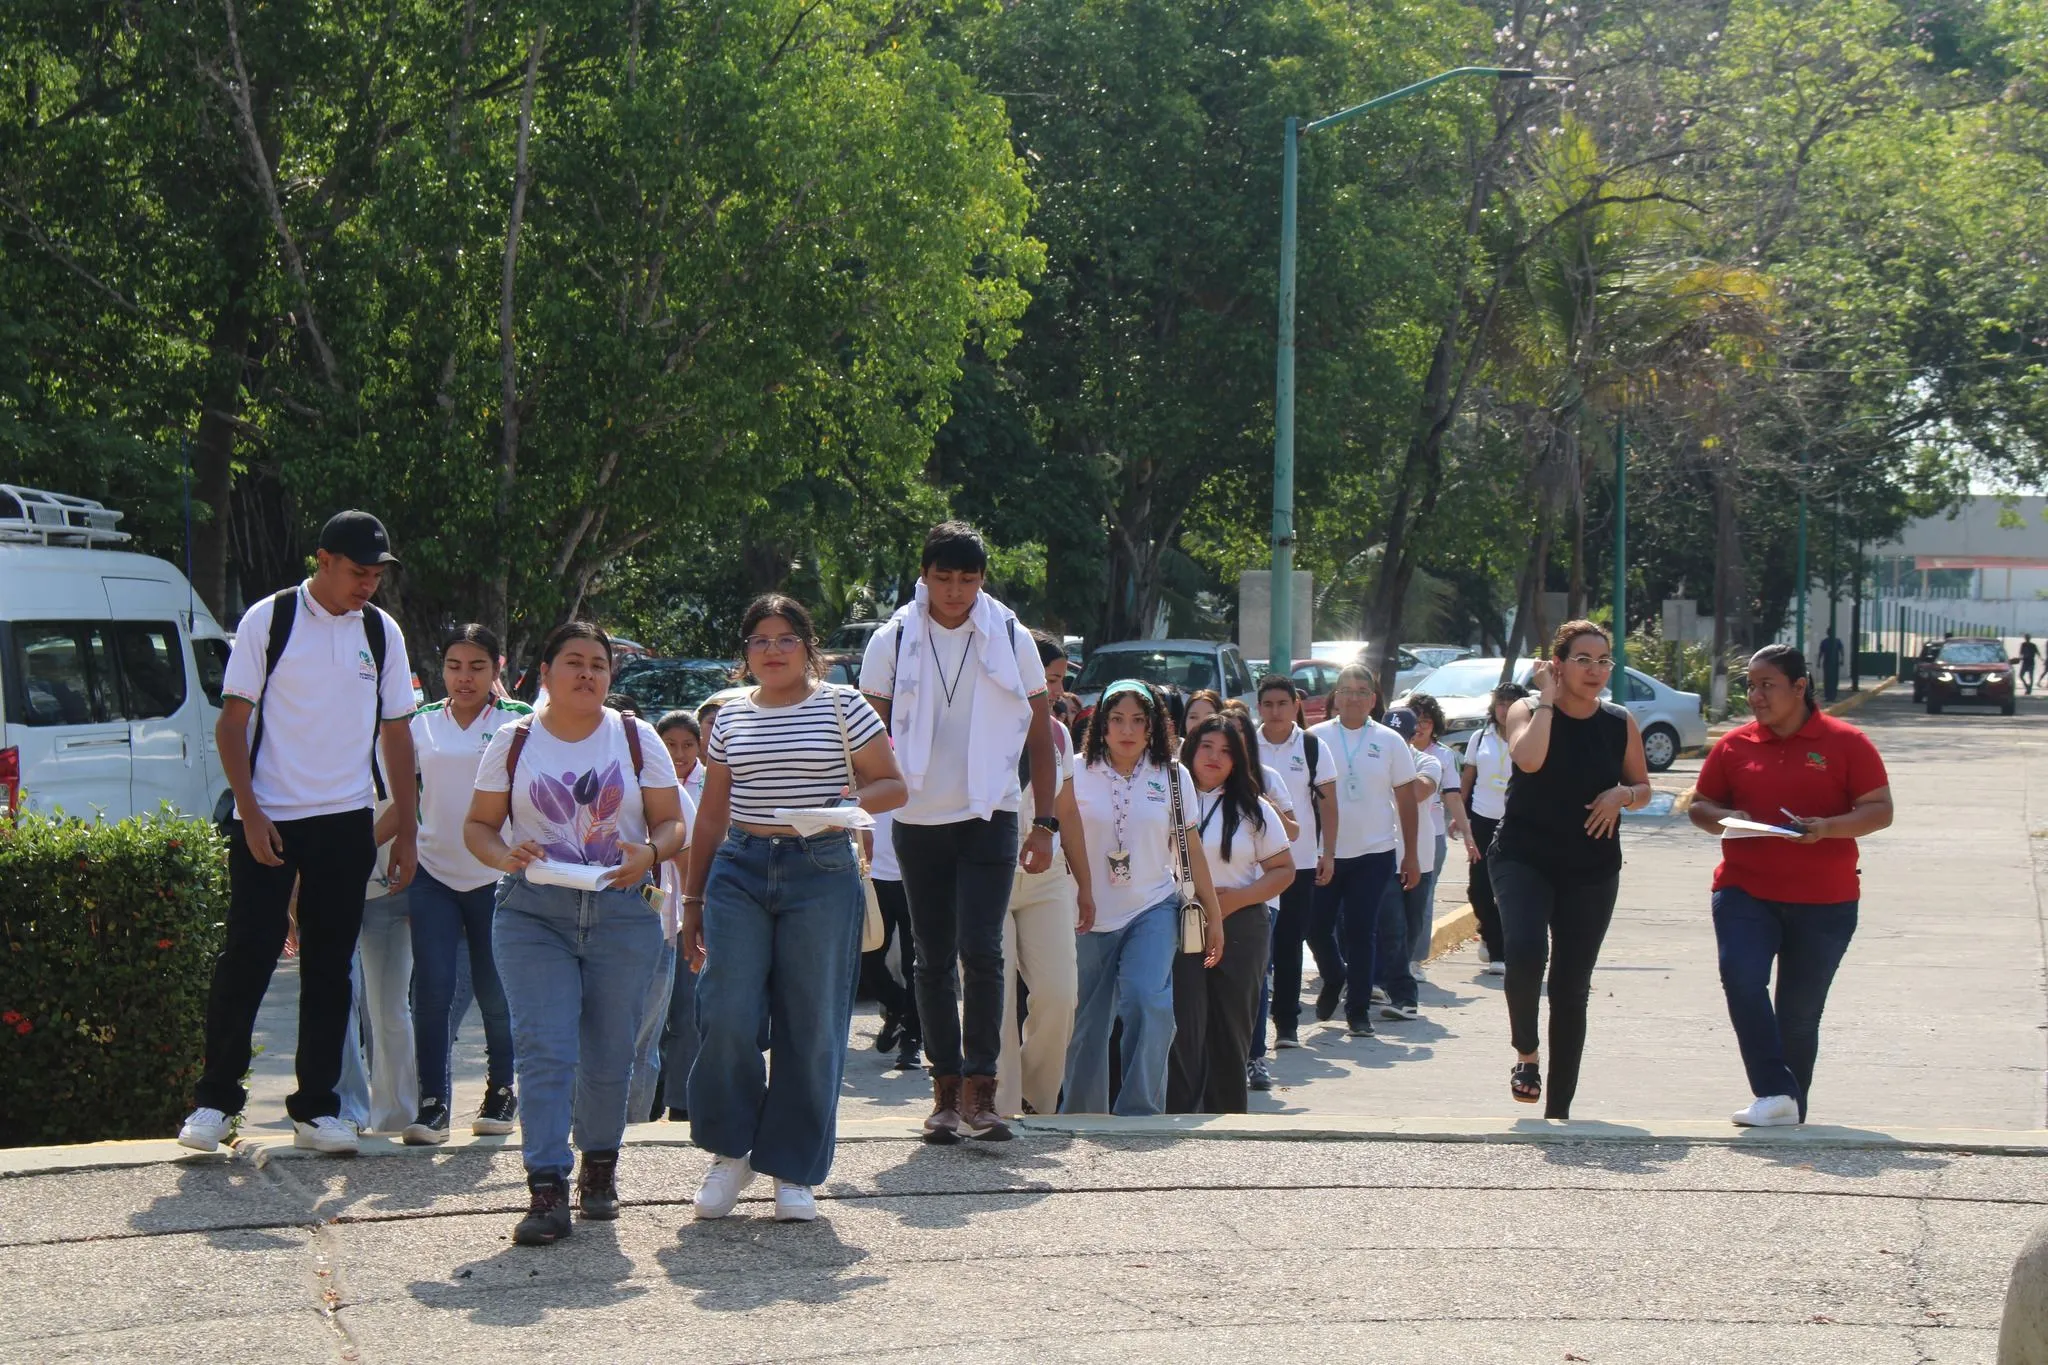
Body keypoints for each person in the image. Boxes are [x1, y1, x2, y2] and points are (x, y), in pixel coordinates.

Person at [179, 510, 418, 1157]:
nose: (368, 584)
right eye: (358, 571)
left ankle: (317, 1109)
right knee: (249, 956)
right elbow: (231, 726)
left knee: (331, 967)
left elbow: (398, 731)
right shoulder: (271, 618)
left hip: (346, 818)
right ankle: (214, 1102)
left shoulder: (380, 630)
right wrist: (251, 813)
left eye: (376, 573)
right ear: (324, 560)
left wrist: (409, 829)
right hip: (271, 814)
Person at [684, 596, 907, 1223]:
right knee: (726, 1010)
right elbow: (711, 813)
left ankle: (793, 1168)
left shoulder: (844, 706)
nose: (772, 650)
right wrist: (694, 899)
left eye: (785, 639)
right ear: (746, 652)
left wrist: (851, 794)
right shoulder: (728, 717)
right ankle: (730, 1153)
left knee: (811, 1022)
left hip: (822, 866)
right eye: (759, 640)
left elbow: (894, 785)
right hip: (740, 866)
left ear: (809, 647)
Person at [465, 622, 687, 1246]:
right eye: (573, 662)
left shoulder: (637, 738)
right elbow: (479, 827)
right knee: (544, 1047)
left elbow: (672, 825)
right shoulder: (513, 741)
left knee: (611, 1052)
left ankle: (599, 1169)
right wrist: (503, 853)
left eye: (599, 664)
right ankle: (545, 1187)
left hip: (623, 912)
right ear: (545, 673)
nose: (587, 673)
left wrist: (649, 852)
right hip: (535, 913)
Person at [859, 522, 1059, 1144]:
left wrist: (1045, 821)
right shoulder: (891, 638)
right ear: (924, 576)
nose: (953, 591)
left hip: (991, 811)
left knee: (983, 950)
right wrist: (862, 819)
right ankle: (943, 1090)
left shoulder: (1008, 633)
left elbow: (1041, 732)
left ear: (982, 580)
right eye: (941, 578)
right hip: (918, 816)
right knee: (931, 957)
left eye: (966, 579)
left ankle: (982, 1092)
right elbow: (863, 739)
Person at [1686, 644, 1893, 1126]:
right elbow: (1700, 806)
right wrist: (1722, 817)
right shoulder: (1733, 746)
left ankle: (1790, 1111)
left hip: (1826, 901)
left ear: (1799, 687)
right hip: (1744, 891)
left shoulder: (1846, 742)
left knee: (1798, 1016)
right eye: (1750, 685)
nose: (1756, 696)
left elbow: (1879, 809)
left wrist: (1827, 827)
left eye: (1767, 685)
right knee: (1741, 977)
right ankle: (1774, 1091)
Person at [1493, 620, 1651, 1118]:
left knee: (1571, 986)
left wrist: (1622, 795)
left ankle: (1557, 1111)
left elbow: (1643, 787)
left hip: (1591, 867)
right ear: (1556, 664)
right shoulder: (1527, 708)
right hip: (1524, 856)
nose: (1595, 670)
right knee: (1523, 952)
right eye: (1582, 659)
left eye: (1603, 661)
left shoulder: (1618, 720)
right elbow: (1530, 760)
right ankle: (1526, 1056)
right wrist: (1544, 698)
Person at [1060, 681, 1221, 1116]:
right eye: (1117, 719)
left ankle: (1140, 1111)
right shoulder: (1073, 771)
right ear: (1101, 725)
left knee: (1147, 999)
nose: (1127, 730)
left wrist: (1214, 914)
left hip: (1154, 905)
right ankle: (1081, 1114)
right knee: (1088, 1024)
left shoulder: (1173, 773)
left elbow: (1190, 846)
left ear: (1153, 727)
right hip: (1085, 911)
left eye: (1138, 720)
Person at [401, 626, 529, 1145]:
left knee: (494, 990)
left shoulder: (519, 721)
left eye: (477, 666)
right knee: (429, 991)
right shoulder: (420, 724)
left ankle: (502, 1090)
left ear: (496, 667)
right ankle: (432, 1103)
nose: (464, 677)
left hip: (495, 875)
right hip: (432, 873)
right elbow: (402, 797)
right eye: (455, 666)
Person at [1167, 716, 1293, 1113]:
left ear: (1237, 761)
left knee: (1230, 1028)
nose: (1214, 757)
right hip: (1178, 921)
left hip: (1241, 925)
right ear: (1190, 750)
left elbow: (1284, 869)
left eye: (1225, 751)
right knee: (1184, 1025)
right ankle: (1180, 1114)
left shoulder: (1254, 808)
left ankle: (1228, 1121)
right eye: (1207, 747)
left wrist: (1238, 899)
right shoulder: (1165, 799)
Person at [1305, 665, 1422, 1038]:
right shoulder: (1313, 738)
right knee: (1316, 927)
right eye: (1346, 690)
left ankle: (1357, 1011)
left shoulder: (1390, 740)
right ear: (1334, 698)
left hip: (1374, 852)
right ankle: (1334, 975)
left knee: (1361, 932)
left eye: (1360, 692)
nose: (1352, 698)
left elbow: (1406, 800)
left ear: (1373, 700)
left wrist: (1412, 854)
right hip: (1325, 853)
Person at [995, 632, 1082, 1118]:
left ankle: (1037, 1099)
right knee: (998, 999)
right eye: (1048, 678)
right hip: (989, 875)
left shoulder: (1059, 733)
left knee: (1058, 995)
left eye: (1059, 680)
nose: (1053, 690)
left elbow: (1067, 813)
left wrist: (1085, 885)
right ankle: (1000, 1110)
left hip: (1047, 877)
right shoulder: (979, 724)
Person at [1253, 676, 1335, 1053]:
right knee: (1257, 949)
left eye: (1282, 703)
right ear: (1259, 707)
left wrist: (1327, 852)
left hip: (1298, 864)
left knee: (1288, 945)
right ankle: (1251, 1028)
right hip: (1251, 865)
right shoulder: (1243, 745)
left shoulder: (1313, 747)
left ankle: (1286, 1024)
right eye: (1268, 704)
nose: (1275, 711)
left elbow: (1328, 804)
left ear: (1295, 706)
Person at [627, 712, 700, 1124]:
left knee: (640, 1044)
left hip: (658, 929)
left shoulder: (671, 790)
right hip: (580, 927)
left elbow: (688, 857)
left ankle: (629, 1142)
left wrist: (692, 918)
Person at [1371, 707, 1440, 1022]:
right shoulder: (1373, 759)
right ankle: (1403, 997)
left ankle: (1385, 982)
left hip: (1418, 860)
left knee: (1410, 930)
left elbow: (1418, 790)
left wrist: (1391, 774)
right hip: (1383, 857)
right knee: (1392, 928)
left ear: (1413, 737)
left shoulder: (1428, 762)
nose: (1394, 741)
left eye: (1401, 736)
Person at [1460, 682, 1527, 975]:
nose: (1504, 709)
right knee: (1479, 888)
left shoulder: (1527, 735)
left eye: (1511, 703)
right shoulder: (1480, 737)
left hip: (1517, 820)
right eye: (1500, 703)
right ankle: (1489, 932)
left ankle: (1501, 950)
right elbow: (1467, 778)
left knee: (1514, 887)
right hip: (1482, 818)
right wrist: (1459, 815)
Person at [867, 800, 923, 1072]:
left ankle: (912, 1040)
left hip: (918, 872)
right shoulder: (869, 758)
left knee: (915, 962)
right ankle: (895, 1005)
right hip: (872, 873)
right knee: (865, 953)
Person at [1818, 631, 1844, 703]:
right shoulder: (1826, 641)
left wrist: (1842, 659)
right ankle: (1829, 696)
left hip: (1833, 663)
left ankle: (1831, 695)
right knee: (1829, 680)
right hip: (1828, 663)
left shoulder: (1836, 641)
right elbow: (1821, 652)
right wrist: (1818, 662)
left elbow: (1841, 651)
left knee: (1832, 679)